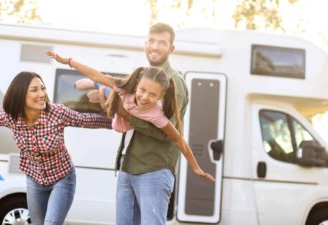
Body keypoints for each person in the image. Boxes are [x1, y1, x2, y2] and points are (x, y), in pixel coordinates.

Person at [47, 23, 214, 225]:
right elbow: (103, 79)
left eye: (162, 42)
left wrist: (118, 109)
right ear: (145, 44)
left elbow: (165, 133)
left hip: (153, 168)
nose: (154, 46)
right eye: (151, 40)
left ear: (171, 49)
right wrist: (70, 63)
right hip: (129, 165)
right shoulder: (141, 77)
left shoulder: (173, 82)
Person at [0, 71, 111, 225]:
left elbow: (86, 120)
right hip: (35, 180)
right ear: (21, 94)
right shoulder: (11, 118)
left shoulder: (57, 113)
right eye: (35, 90)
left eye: (42, 88)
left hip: (62, 178)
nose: (42, 94)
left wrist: (116, 123)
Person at [47, 51, 213, 181]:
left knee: (118, 126)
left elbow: (178, 139)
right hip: (122, 97)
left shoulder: (156, 114)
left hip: (128, 115)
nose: (145, 97)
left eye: (152, 95)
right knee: (106, 85)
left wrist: (195, 167)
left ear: (160, 97)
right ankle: (99, 89)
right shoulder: (126, 88)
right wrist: (68, 61)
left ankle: (102, 94)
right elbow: (96, 74)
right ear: (137, 86)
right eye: (142, 90)